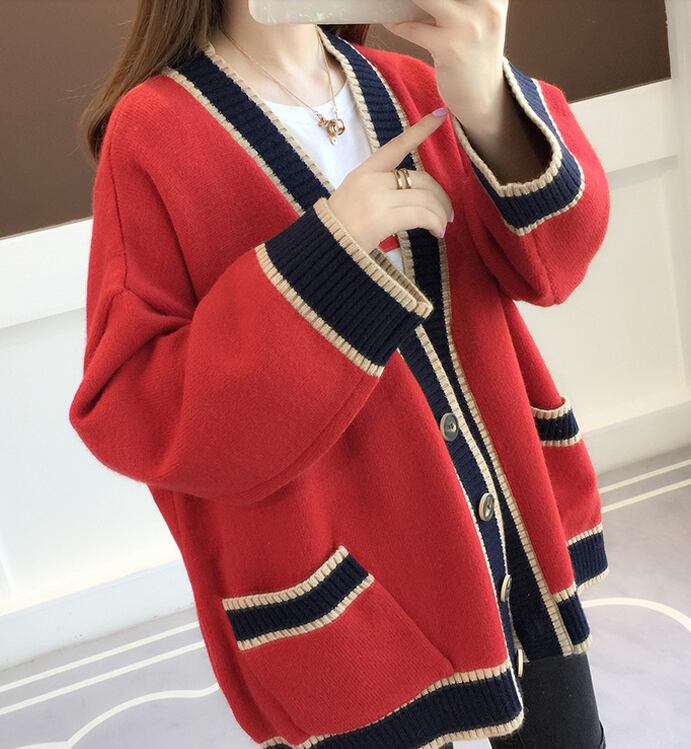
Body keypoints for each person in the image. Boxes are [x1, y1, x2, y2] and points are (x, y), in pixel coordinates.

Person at [70, 1, 611, 747]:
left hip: (513, 533)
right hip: (347, 590)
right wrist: (331, 248)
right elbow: (133, 404)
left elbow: (556, 261)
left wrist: (488, 99)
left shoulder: (418, 85)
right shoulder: (156, 132)